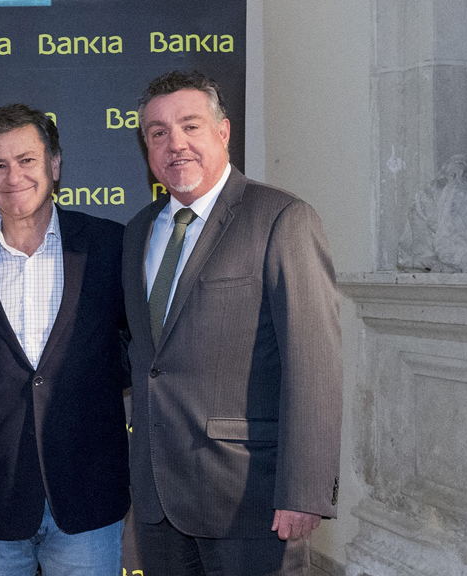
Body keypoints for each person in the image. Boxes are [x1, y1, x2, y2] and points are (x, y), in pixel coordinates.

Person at [122, 70, 343, 575]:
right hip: (158, 501)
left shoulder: (282, 219)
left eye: (191, 126)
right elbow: (146, 359)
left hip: (250, 499)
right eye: (158, 133)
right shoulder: (138, 232)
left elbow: (314, 365)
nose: (175, 143)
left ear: (223, 132)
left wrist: (305, 490)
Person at [0, 104, 130, 576]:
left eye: (27, 160)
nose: (12, 176)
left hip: (87, 499)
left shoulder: (109, 246)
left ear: (55, 165)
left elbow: (139, 347)